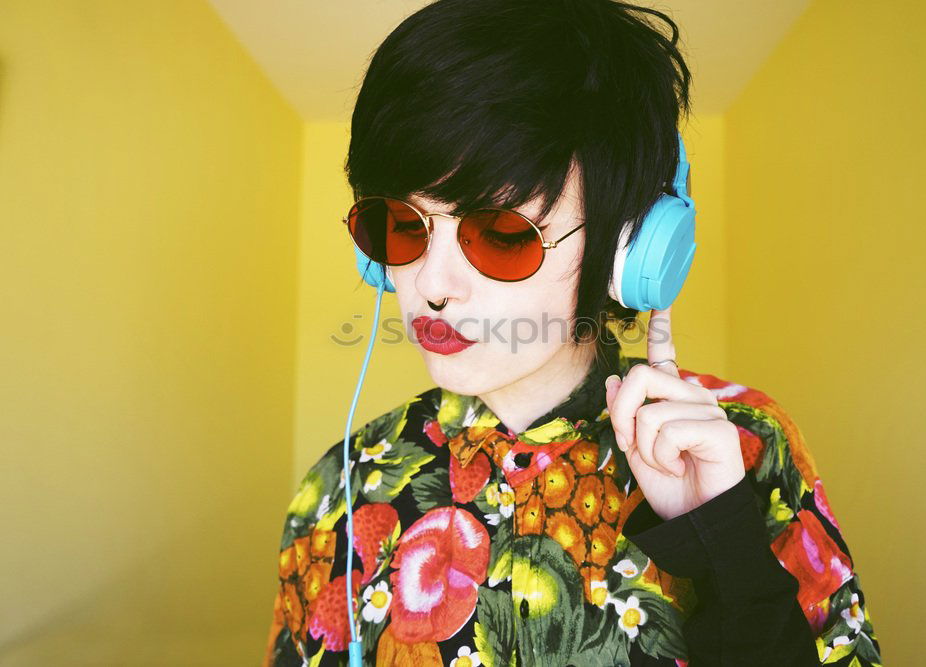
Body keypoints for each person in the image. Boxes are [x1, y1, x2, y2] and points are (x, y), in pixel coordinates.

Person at [263, 1, 882, 665]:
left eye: (500, 232)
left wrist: (724, 538)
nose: (431, 283)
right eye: (403, 224)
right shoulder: (339, 484)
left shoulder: (746, 445)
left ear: (628, 251)